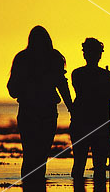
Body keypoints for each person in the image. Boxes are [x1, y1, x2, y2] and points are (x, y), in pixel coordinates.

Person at [7, 25, 73, 180]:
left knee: (30, 154)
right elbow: (62, 85)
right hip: (44, 113)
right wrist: (71, 107)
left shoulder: (22, 58)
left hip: (29, 112)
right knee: (41, 156)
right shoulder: (54, 58)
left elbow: (12, 89)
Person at [69, 38, 110, 180]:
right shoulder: (82, 74)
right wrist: (105, 83)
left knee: (90, 164)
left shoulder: (80, 73)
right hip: (89, 123)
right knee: (86, 164)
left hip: (92, 123)